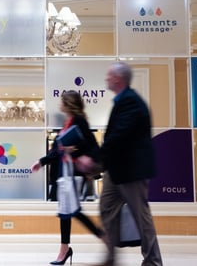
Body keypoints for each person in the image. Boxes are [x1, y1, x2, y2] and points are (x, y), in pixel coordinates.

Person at [98, 62, 163, 266]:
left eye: (109, 75)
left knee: (141, 216)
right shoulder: (121, 101)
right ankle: (110, 258)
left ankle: (153, 261)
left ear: (118, 78)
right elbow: (116, 138)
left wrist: (95, 158)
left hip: (132, 171)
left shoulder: (131, 102)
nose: (106, 78)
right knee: (106, 208)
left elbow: (118, 136)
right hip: (116, 171)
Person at [32, 90, 105, 265]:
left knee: (71, 211)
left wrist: (78, 152)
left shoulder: (79, 122)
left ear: (68, 103)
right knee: (66, 212)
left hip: (74, 174)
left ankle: (100, 235)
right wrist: (41, 162)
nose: (59, 104)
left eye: (62, 101)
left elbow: (93, 147)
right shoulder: (67, 123)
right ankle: (66, 249)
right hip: (64, 174)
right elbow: (57, 151)